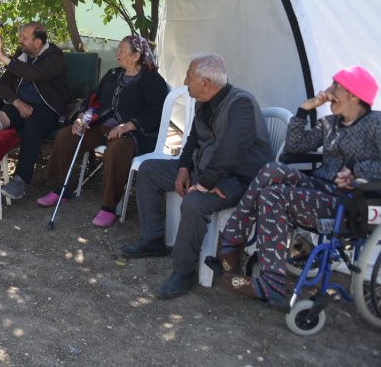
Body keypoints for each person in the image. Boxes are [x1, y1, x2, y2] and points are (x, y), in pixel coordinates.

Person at [216, 65, 381, 305]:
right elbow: (295, 146)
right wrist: (304, 110)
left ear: (354, 95)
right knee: (272, 170)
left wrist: (356, 168)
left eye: (336, 86)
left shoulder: (376, 123)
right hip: (320, 188)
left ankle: (270, 283)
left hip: (348, 202)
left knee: (274, 196)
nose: (329, 91)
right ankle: (233, 241)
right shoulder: (330, 122)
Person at [119, 53, 273, 299]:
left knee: (194, 202)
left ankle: (183, 271)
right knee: (149, 171)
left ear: (205, 82)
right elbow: (192, 139)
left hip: (237, 180)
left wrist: (205, 183)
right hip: (205, 171)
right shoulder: (204, 100)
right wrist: (183, 168)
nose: (184, 80)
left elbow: (231, 151)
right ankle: (153, 239)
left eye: (189, 77)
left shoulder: (241, 104)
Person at [36, 35, 168, 227]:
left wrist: (128, 125)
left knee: (116, 151)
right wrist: (82, 117)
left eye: (122, 51)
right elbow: (93, 99)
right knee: (66, 136)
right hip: (101, 125)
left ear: (137, 55)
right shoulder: (114, 74)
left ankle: (109, 207)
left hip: (132, 132)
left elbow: (156, 111)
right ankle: (60, 189)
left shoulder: (152, 80)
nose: (117, 54)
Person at [0, 22, 70, 199]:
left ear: (38, 42)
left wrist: (5, 59)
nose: (20, 40)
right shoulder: (23, 54)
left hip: (48, 109)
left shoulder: (55, 57)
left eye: (24, 38)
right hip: (22, 104)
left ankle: (19, 181)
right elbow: (3, 85)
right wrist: (18, 102)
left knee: (32, 126)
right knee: (7, 111)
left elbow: (35, 73)